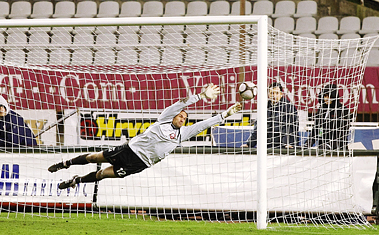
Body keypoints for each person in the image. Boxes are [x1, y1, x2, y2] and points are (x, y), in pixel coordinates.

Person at [48, 84, 242, 189]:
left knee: (103, 174)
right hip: (129, 150)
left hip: (140, 164)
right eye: (181, 115)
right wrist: (201, 95)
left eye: (185, 117)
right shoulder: (165, 118)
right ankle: (65, 163)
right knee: (94, 158)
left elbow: (204, 124)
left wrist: (226, 114)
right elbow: (180, 102)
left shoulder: (182, 134)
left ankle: (76, 181)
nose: (182, 118)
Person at [242, 82, 298, 148]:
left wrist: (288, 143)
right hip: (267, 145)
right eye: (272, 93)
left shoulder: (289, 107)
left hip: (283, 146)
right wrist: (249, 144)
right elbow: (258, 128)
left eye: (277, 93)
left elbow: (291, 127)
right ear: (268, 94)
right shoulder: (264, 107)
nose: (274, 96)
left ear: (281, 94)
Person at [303, 83, 352, 150]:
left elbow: (342, 133)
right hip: (322, 148)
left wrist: (330, 145)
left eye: (329, 96)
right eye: (325, 96)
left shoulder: (342, 110)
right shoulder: (321, 109)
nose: (326, 98)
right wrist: (307, 144)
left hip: (338, 149)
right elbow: (316, 129)